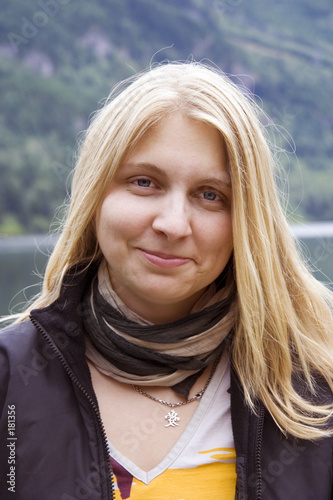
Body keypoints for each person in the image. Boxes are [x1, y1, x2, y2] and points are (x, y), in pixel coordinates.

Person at [1, 61, 333, 500]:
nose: (174, 224)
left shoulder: (318, 385)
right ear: (95, 195)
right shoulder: (10, 378)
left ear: (247, 221)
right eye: (144, 182)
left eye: (210, 195)